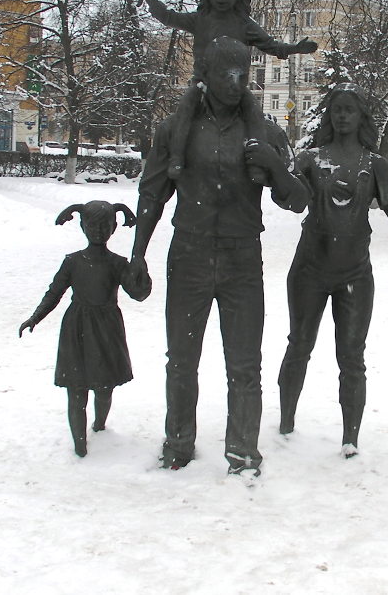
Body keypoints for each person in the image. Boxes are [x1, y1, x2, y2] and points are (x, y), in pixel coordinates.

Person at [130, 36, 309, 476]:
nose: (235, 81)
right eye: (226, 73)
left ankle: (243, 451)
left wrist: (274, 164)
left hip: (241, 259)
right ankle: (178, 443)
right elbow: (152, 195)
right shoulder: (176, 129)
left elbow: (298, 200)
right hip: (188, 254)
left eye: (243, 74)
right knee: (181, 360)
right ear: (205, 75)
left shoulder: (266, 132)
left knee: (245, 364)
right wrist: (138, 255)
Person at [278, 83, 388, 458]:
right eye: (336, 109)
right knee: (299, 346)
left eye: (349, 110)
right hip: (309, 270)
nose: (342, 116)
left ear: (360, 117)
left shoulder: (375, 165)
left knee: (352, 358)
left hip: (354, 274)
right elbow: (286, 194)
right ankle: (286, 423)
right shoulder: (310, 159)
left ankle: (350, 438)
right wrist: (279, 169)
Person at [127, 0, 317, 179]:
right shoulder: (200, 20)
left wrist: (295, 49)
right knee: (186, 108)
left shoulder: (244, 24)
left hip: (235, 87)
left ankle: (256, 161)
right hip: (203, 84)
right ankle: (177, 157)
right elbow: (167, 17)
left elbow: (270, 45)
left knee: (253, 112)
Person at [20, 201, 150, 457]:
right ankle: (80, 444)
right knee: (76, 388)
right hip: (77, 327)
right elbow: (54, 292)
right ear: (82, 226)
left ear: (113, 228)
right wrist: (35, 317)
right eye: (92, 225)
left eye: (104, 226)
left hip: (107, 329)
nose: (98, 231)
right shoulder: (73, 262)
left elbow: (138, 294)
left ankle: (100, 424)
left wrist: (140, 267)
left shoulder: (117, 263)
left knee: (105, 387)